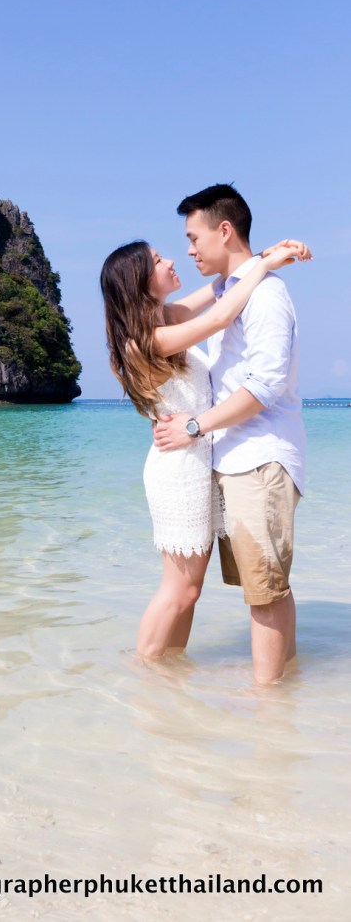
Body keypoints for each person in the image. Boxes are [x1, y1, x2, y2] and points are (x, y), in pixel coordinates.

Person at [100, 232, 309, 665]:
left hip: (196, 461)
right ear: (140, 280)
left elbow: (219, 289)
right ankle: (143, 671)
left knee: (190, 590)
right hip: (177, 469)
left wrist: (262, 254)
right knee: (180, 588)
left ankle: (170, 671)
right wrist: (265, 267)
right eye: (158, 260)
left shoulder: (167, 317)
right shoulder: (147, 341)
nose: (171, 261)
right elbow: (219, 317)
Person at [153, 184, 309, 684]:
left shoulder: (265, 294)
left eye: (193, 237)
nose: (189, 250)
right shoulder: (231, 290)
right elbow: (202, 313)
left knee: (265, 590)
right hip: (234, 457)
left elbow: (264, 386)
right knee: (264, 587)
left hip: (260, 457)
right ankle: (281, 692)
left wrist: (194, 426)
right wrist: (263, 258)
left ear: (224, 231)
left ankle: (268, 703)